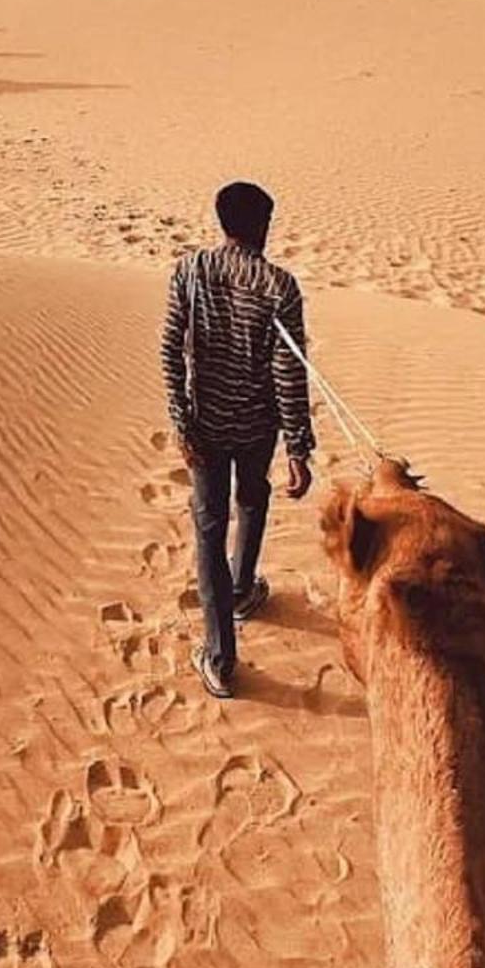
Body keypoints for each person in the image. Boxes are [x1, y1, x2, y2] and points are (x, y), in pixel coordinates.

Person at [160, 180, 315, 700]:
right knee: (248, 502)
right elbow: (288, 373)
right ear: (261, 226)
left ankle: (234, 613)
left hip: (204, 427)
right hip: (254, 428)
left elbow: (169, 353)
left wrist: (182, 423)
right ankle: (223, 648)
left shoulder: (191, 271)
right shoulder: (280, 287)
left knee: (210, 525)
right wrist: (298, 447)